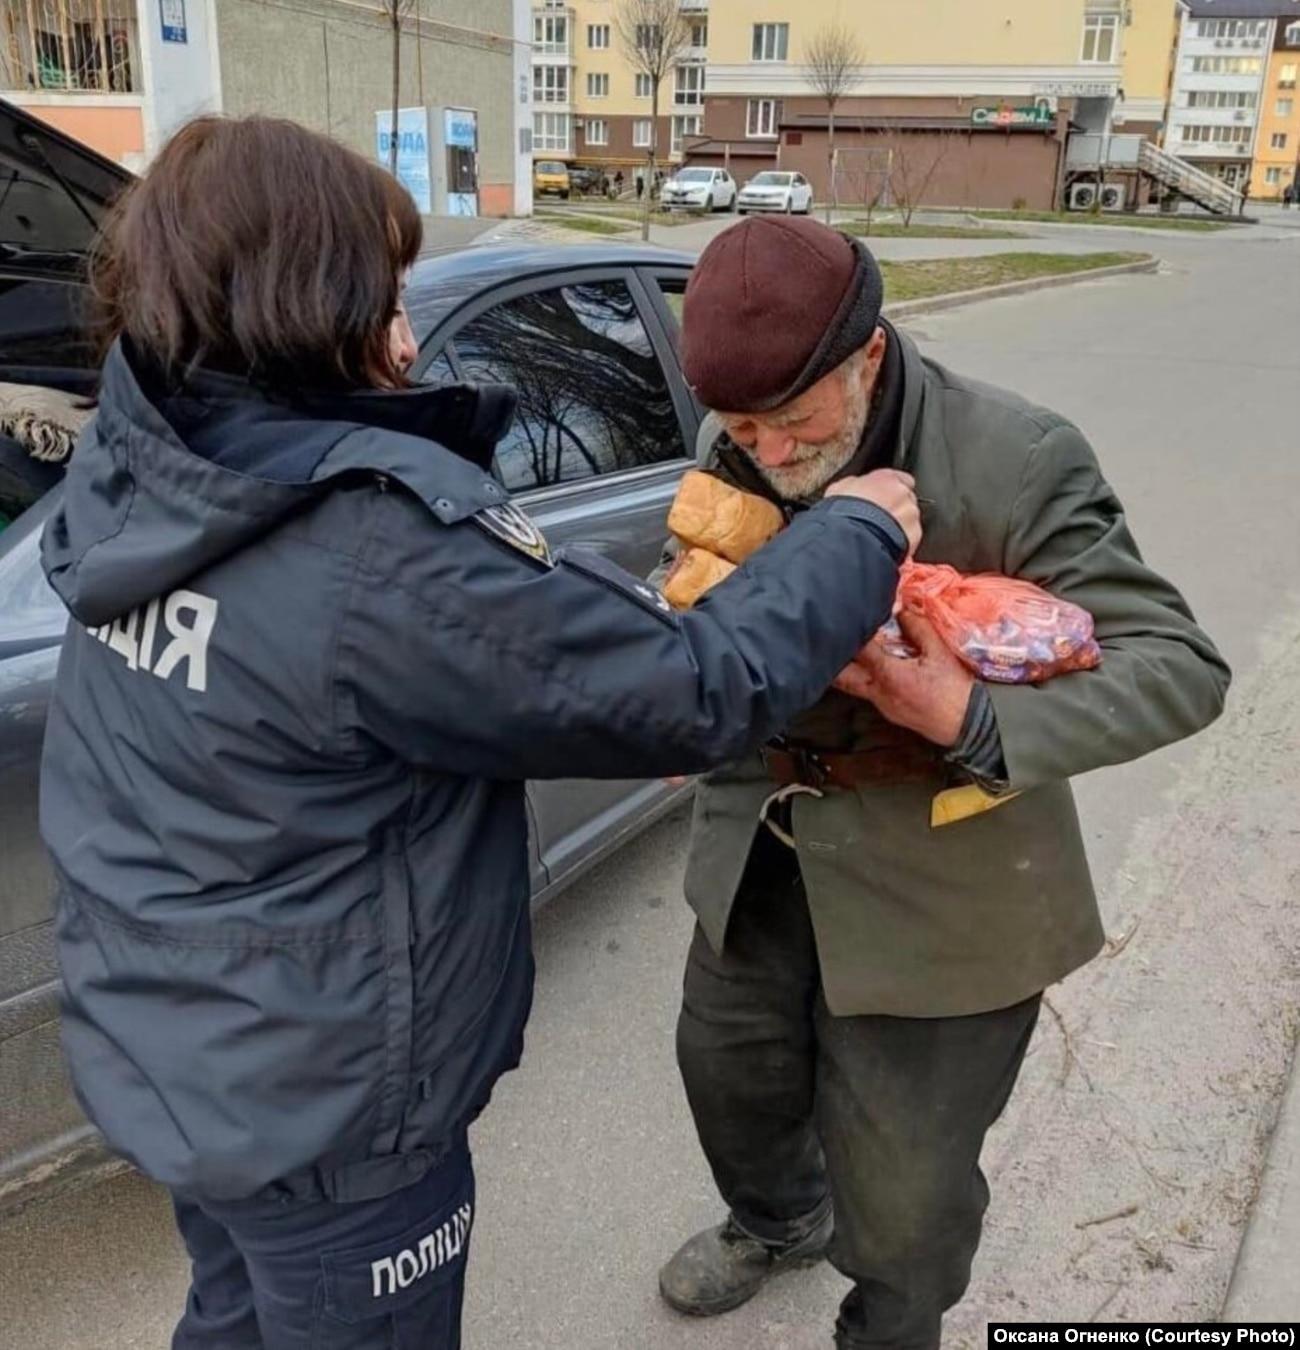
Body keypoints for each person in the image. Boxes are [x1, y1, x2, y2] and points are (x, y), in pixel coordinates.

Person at [38, 120, 918, 1350]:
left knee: (234, 1316)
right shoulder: (372, 554)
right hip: (332, 1119)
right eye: (385, 291)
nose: (402, 327)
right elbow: (690, 685)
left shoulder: (145, 473)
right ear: (318, 298)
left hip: (186, 1061)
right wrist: (858, 533)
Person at [653, 215, 1230, 1349]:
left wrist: (962, 711)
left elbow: (1179, 666)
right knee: (728, 1075)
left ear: (867, 357)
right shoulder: (753, 434)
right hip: (760, 836)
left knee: (909, 1195)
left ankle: (889, 1323)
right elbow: (706, 571)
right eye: (740, 427)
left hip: (944, 870)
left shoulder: (1013, 455)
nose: (765, 451)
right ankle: (777, 1220)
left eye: (794, 423)